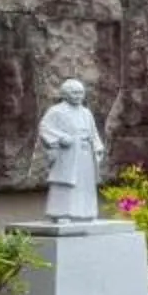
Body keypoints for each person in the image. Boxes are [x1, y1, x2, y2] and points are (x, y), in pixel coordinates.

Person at [38, 79, 111, 222]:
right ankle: (62, 214)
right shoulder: (56, 111)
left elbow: (93, 132)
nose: (79, 96)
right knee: (65, 184)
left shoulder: (86, 112)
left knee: (85, 184)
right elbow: (44, 128)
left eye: (81, 92)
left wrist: (97, 146)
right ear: (65, 94)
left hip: (85, 153)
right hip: (67, 154)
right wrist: (61, 138)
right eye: (75, 92)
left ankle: (87, 213)